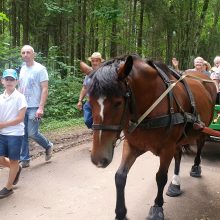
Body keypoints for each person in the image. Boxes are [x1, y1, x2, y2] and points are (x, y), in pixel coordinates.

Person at [18, 45, 53, 168]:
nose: (25, 54)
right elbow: (20, 87)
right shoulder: (22, 68)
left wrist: (41, 107)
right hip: (22, 106)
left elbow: (45, 89)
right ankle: (25, 159)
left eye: (28, 52)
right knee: (22, 133)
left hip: (34, 106)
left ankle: (48, 145)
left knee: (32, 133)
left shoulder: (40, 69)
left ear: (33, 54)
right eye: (23, 52)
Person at [0, 69, 27, 198]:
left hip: (15, 134)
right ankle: (16, 168)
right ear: (2, 81)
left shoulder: (20, 97)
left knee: (13, 160)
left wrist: (3, 125)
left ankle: (8, 187)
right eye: (7, 79)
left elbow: (20, 118)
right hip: (2, 133)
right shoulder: (0, 98)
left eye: (12, 79)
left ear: (17, 81)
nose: (9, 82)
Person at [77, 52, 104, 128]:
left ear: (100, 61)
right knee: (87, 121)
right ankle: (96, 130)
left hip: (101, 102)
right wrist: (80, 100)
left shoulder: (104, 73)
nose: (94, 63)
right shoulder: (88, 74)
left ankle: (99, 131)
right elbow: (85, 87)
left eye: (97, 60)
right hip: (90, 101)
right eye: (93, 61)